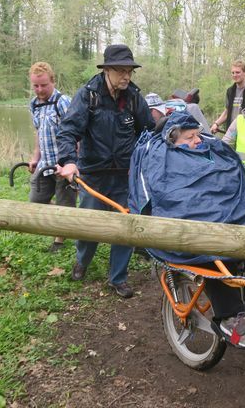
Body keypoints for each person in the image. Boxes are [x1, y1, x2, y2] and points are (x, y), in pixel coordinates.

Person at [128, 111, 245, 348]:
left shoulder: (212, 152)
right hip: (196, 226)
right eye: (190, 137)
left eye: (197, 135)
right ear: (174, 140)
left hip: (232, 217)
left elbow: (236, 178)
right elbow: (169, 195)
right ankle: (230, 315)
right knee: (212, 250)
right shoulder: (163, 158)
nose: (197, 141)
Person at [56, 44, 154, 299]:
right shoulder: (88, 95)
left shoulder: (133, 97)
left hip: (124, 176)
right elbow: (68, 130)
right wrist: (68, 160)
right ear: (107, 70)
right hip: (93, 174)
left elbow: (149, 131)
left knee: (125, 228)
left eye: (130, 71)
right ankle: (82, 261)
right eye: (121, 71)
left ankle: (118, 278)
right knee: (89, 227)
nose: (126, 76)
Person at [27, 61, 77, 252]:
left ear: (53, 82)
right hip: (44, 165)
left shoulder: (63, 102)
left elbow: (76, 135)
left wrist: (72, 163)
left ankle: (59, 241)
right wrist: (35, 158)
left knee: (65, 205)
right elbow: (39, 133)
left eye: (44, 85)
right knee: (36, 201)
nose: (39, 90)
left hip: (63, 165)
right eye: (36, 85)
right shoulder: (34, 105)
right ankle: (65, 217)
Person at [210, 60, 245, 134]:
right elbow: (227, 111)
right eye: (233, 73)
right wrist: (216, 124)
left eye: (237, 72)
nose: (234, 75)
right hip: (231, 131)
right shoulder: (230, 91)